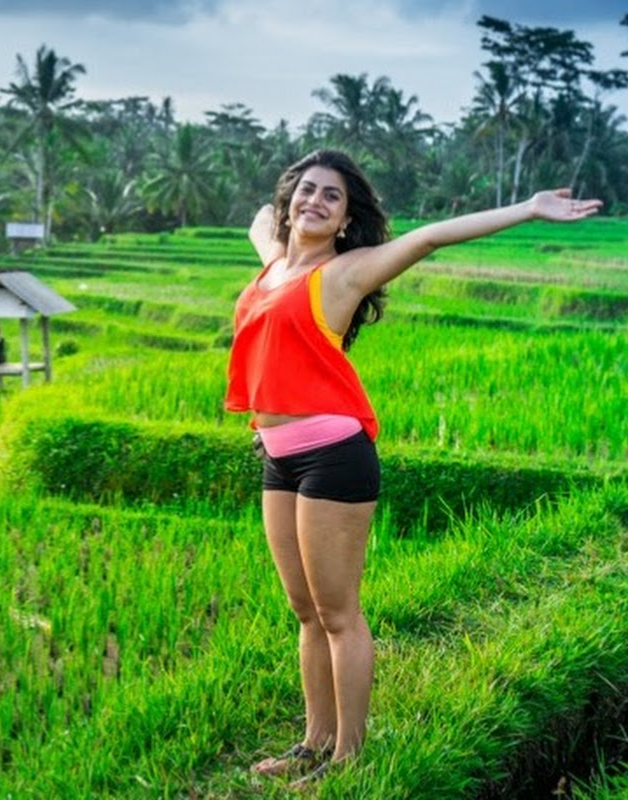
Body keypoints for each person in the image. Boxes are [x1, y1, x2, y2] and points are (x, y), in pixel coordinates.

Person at [224, 149, 602, 788]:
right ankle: (314, 742)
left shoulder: (344, 274)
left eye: (331, 197)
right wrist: (287, 210)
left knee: (338, 613)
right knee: (305, 612)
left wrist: (530, 209)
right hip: (276, 456)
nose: (314, 201)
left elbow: (429, 237)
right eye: (306, 191)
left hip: (331, 457)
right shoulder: (271, 267)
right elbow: (260, 219)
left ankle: (349, 757)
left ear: (347, 221)